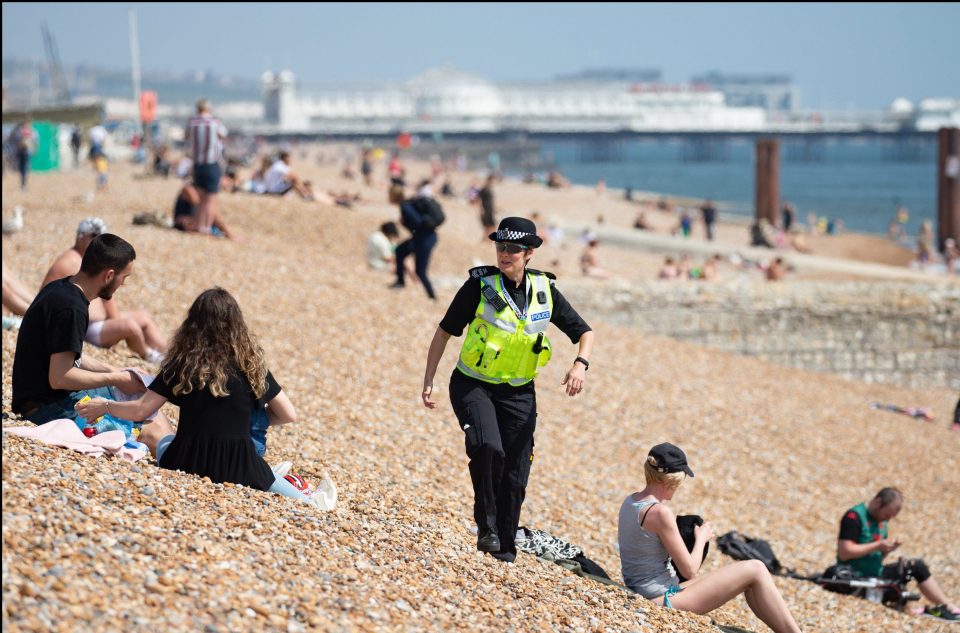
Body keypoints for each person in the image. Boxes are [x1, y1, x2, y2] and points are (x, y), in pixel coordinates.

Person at [421, 216, 594, 562]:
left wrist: (580, 364)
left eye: (513, 248)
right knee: (488, 448)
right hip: (473, 385)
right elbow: (443, 333)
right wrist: (429, 379)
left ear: (529, 253)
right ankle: (486, 528)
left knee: (516, 472)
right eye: (500, 246)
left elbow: (584, 333)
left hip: (519, 394)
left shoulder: (545, 291)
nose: (505, 253)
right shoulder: (479, 286)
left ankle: (505, 547)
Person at [75, 287, 336, 511]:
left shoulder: (182, 365)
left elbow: (141, 410)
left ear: (193, 324)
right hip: (240, 466)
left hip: (185, 460)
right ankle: (302, 492)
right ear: (237, 326)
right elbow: (288, 414)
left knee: (166, 440)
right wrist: (247, 417)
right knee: (291, 493)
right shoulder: (250, 366)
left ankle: (280, 477)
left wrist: (105, 406)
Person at [11, 234, 174, 453]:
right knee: (147, 425)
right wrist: (115, 378)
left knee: (140, 398)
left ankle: (176, 448)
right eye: (124, 278)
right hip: (47, 407)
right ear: (109, 275)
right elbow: (59, 377)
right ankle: (178, 456)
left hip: (41, 398)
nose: (122, 284)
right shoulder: (72, 309)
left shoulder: (60, 289)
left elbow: (67, 353)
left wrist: (115, 371)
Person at [618, 443, 801, 632]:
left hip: (645, 590)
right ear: (671, 480)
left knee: (748, 577)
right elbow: (689, 571)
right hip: (662, 599)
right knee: (756, 568)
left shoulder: (631, 501)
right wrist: (701, 539)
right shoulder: (660, 513)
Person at [41, 218, 168, 363]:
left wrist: (115, 324)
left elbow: (106, 298)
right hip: (86, 328)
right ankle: (149, 355)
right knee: (130, 326)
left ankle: (172, 356)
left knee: (143, 316)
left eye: (102, 238)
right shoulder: (71, 262)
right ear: (81, 237)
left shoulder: (87, 260)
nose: (99, 242)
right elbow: (48, 301)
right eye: (94, 237)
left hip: (96, 322)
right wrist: (116, 326)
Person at [825, 488, 960, 621]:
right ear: (878, 502)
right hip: (854, 576)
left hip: (875, 573)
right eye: (887, 515)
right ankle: (918, 608)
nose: (888, 520)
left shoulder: (881, 523)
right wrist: (878, 545)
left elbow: (875, 557)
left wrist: (886, 550)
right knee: (898, 589)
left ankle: (947, 606)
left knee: (916, 566)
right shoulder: (853, 517)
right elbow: (844, 552)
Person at [391, 182, 440, 300]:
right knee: (400, 251)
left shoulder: (405, 207)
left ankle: (432, 296)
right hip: (421, 238)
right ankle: (400, 281)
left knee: (420, 271)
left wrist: (404, 223)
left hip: (424, 240)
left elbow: (418, 223)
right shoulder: (407, 204)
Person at [185, 99, 228, 233]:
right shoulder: (215, 122)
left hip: (197, 164)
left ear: (197, 109)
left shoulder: (192, 122)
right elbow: (224, 135)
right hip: (211, 163)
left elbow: (186, 137)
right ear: (209, 109)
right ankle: (205, 226)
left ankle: (198, 224)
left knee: (201, 197)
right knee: (210, 199)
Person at [10, 120, 35, 190]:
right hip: (27, 151)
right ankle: (24, 181)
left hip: (20, 151)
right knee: (25, 167)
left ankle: (23, 181)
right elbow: (35, 141)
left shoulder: (18, 132)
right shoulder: (31, 132)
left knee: (21, 167)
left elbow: (12, 141)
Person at [477, 174, 497, 241]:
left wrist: (495, 208)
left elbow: (492, 201)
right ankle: (485, 239)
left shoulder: (490, 189)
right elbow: (479, 199)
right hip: (486, 209)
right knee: (487, 226)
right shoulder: (484, 188)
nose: (494, 182)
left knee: (491, 225)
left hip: (490, 210)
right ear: (489, 180)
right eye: (493, 180)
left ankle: (488, 239)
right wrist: (481, 209)